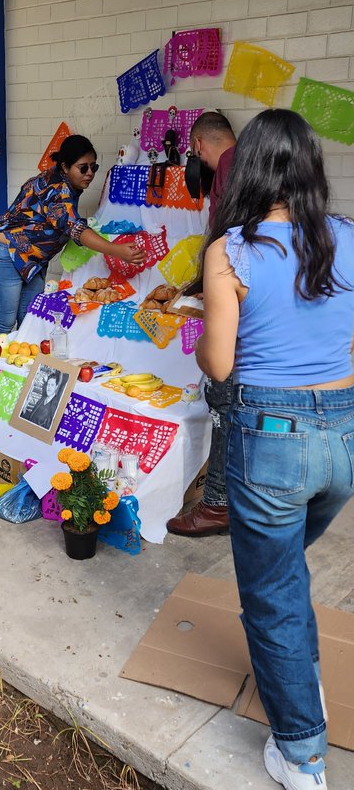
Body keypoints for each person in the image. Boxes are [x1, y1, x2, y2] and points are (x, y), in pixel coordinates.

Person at [194, 108, 354, 790]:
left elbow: (221, 365)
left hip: (272, 440)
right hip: (344, 440)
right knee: (284, 571)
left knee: (272, 595)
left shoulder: (231, 251)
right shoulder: (347, 238)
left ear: (250, 169)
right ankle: (301, 679)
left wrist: (206, 337)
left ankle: (302, 756)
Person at [0, 134, 146, 341]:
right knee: (3, 324)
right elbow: (74, 228)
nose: (89, 174)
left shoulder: (66, 183)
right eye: (83, 167)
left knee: (30, 323)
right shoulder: (56, 189)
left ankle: (19, 371)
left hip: (32, 261)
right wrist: (117, 251)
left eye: (93, 167)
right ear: (65, 167)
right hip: (5, 254)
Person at [167, 111, 236, 536]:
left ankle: (215, 506)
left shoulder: (229, 164)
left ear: (197, 146)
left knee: (223, 399)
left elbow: (228, 233)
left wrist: (209, 285)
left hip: (235, 295)